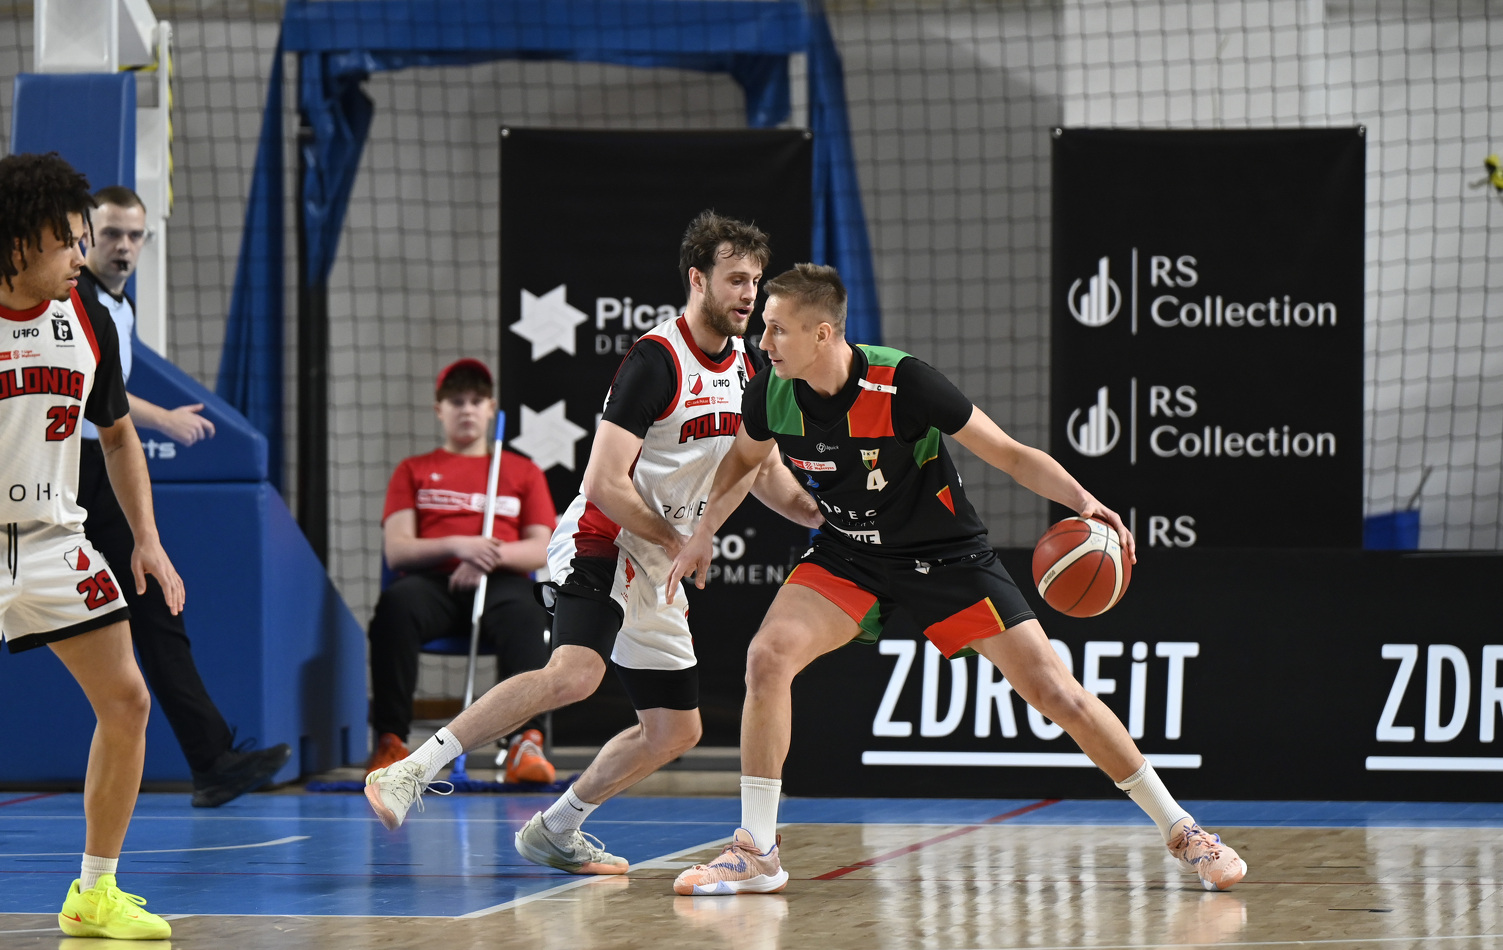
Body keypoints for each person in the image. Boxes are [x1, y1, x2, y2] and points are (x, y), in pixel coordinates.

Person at [669, 263, 1247, 895]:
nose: (763, 340)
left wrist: (1083, 501)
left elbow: (1009, 454)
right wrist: (704, 529)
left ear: (823, 333)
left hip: (946, 557)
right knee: (767, 656)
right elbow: (742, 462)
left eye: (778, 329)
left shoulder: (904, 382)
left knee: (1058, 693)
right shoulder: (771, 391)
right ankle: (757, 850)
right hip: (850, 555)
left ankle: (1183, 830)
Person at [364, 211, 822, 876]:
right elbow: (604, 483)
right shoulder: (655, 361)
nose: (748, 294)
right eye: (734, 280)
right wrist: (681, 539)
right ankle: (410, 770)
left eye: (754, 281)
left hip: (662, 561)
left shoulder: (753, 366)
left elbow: (763, 470)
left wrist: (819, 513)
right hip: (604, 538)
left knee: (676, 729)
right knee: (575, 674)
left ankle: (555, 829)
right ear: (697, 280)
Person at [0, 152, 181, 938]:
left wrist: (148, 540)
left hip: (52, 538)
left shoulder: (86, 316)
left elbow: (116, 435)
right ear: (18, 241)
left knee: (127, 700)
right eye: (67, 241)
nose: (82, 256)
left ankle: (93, 893)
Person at [77, 186, 291, 807]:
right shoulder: (77, 301)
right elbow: (97, 394)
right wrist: (165, 419)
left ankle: (212, 758)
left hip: (97, 472)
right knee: (148, 611)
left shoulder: (117, 306)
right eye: (111, 234)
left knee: (155, 611)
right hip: (75, 474)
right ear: (87, 236)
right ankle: (212, 758)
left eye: (134, 235)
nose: (123, 246)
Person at [367, 357, 557, 782]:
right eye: (456, 401)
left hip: (502, 583)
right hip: (434, 584)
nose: (467, 409)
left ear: (491, 408)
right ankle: (391, 740)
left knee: (529, 614)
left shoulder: (521, 471)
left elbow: (541, 549)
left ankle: (525, 743)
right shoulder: (413, 470)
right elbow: (398, 550)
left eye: (476, 401)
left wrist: (485, 557)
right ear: (440, 410)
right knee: (395, 608)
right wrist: (459, 545)